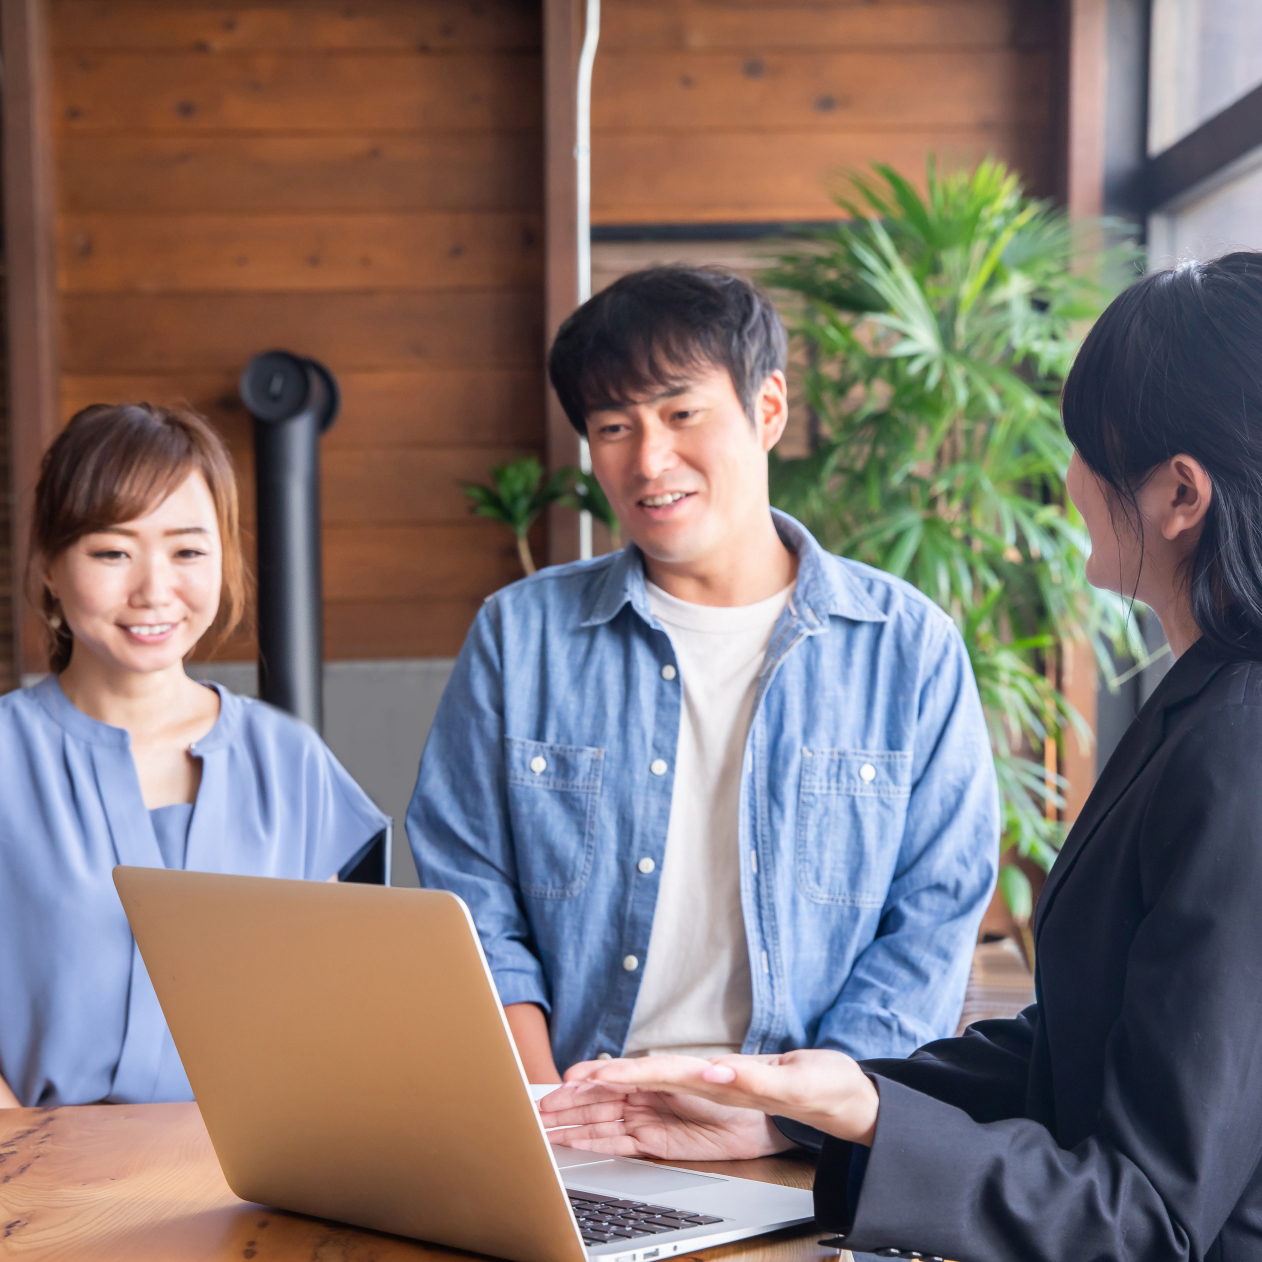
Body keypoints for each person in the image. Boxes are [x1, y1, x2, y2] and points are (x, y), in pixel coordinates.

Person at [537, 252, 1262, 1262]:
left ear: (1178, 493)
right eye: (613, 425)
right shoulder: (1200, 703)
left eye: (1085, 449)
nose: (1062, 482)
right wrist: (810, 1109)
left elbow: (1145, 1214)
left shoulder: (1238, 749)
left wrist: (866, 1115)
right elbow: (1076, 1050)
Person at [408, 266, 998, 1083]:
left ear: (767, 410)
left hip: (805, 1146)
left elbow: (932, 921)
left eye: (682, 413)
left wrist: (792, 1121)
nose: (650, 459)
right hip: (569, 1118)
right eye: (613, 427)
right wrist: (547, 1115)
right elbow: (469, 893)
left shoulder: (908, 647)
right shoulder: (520, 635)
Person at [0, 403, 389, 1109]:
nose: (154, 590)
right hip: (35, 1187)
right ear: (48, 567)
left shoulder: (289, 760)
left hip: (265, 1182)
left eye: (186, 551)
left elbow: (338, 1008)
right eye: (112, 552)